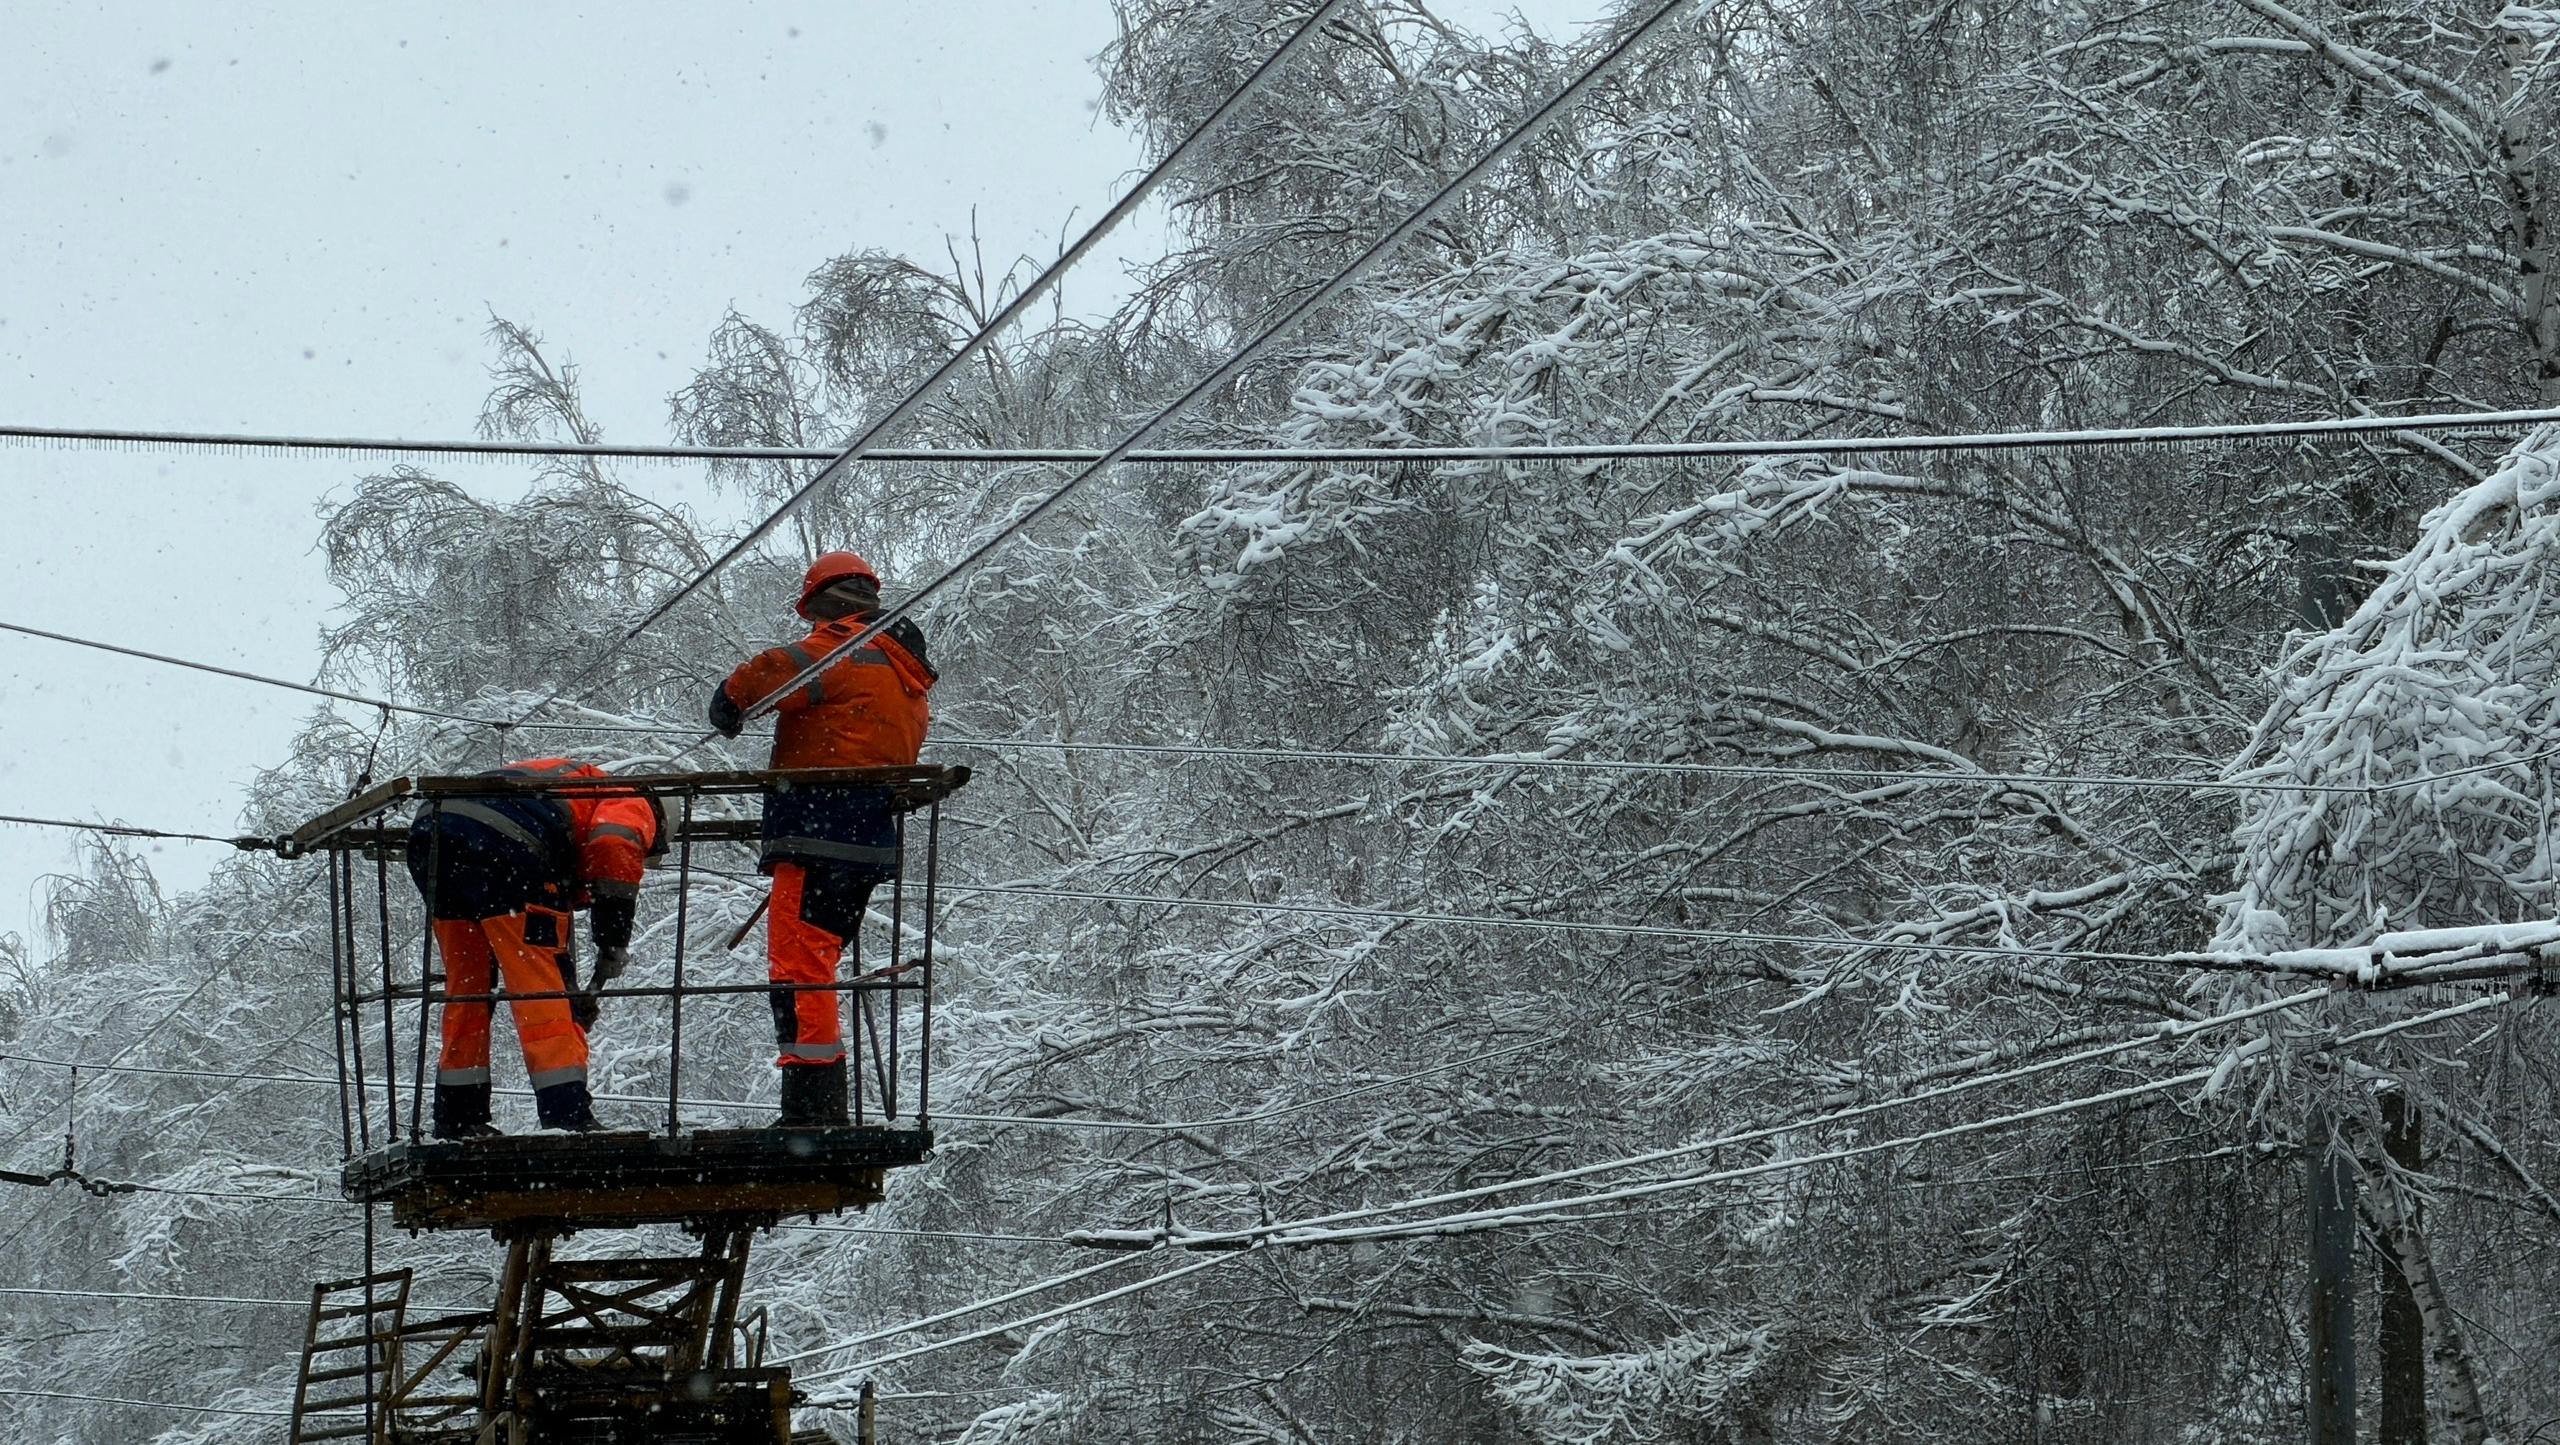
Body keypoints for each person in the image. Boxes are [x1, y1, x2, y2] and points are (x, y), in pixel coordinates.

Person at [708, 551, 937, 1127]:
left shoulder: (845, 648)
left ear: (827, 605)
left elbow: (767, 673)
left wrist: (729, 705)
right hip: (864, 836)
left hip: (817, 828)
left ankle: (812, 1101)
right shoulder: (903, 670)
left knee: (797, 964)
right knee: (818, 957)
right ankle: (819, 1095)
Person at [404, 757, 666, 1138]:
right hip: (502, 844)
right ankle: (567, 1114)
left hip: (436, 833)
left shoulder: (571, 783)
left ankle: (458, 1116)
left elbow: (573, 857)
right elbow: (613, 846)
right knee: (543, 985)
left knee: (468, 985)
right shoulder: (633, 799)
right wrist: (612, 940)